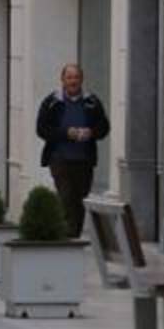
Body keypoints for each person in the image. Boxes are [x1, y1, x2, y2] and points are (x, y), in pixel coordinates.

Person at [36, 63, 110, 238]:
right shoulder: (52, 102)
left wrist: (91, 132)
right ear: (62, 80)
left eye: (76, 77)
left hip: (84, 159)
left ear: (81, 80)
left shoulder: (92, 101)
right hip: (59, 158)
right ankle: (66, 234)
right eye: (69, 78)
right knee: (66, 196)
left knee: (79, 199)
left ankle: (74, 234)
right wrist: (66, 133)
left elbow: (104, 128)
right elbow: (41, 129)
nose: (73, 81)